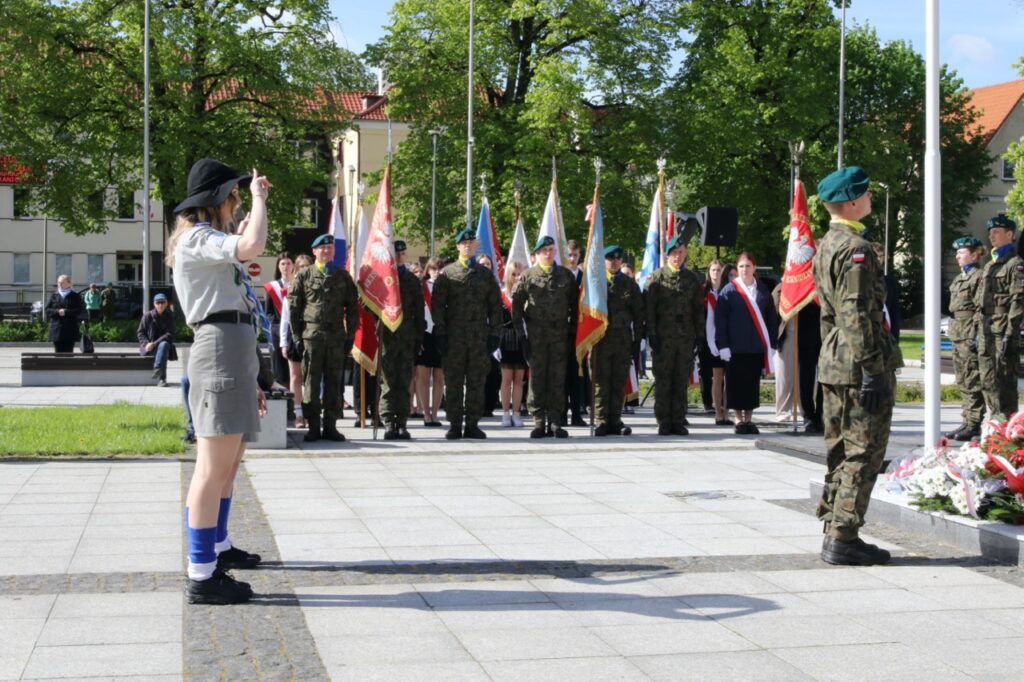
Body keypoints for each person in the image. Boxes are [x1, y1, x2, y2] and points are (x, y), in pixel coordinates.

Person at [168, 158, 270, 604]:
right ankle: (202, 574)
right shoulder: (198, 237)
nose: (237, 201)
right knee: (211, 468)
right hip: (218, 346)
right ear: (216, 199)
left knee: (228, 463)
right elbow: (250, 246)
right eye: (234, 194)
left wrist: (253, 378)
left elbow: (240, 249)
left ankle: (218, 547)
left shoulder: (207, 239)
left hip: (231, 346)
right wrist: (262, 201)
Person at [813, 166, 903, 567]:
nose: (869, 200)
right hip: (857, 362)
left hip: (835, 360)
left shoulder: (827, 244)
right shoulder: (855, 248)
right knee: (863, 451)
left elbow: (829, 317)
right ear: (851, 201)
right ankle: (844, 536)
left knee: (840, 450)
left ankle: (835, 525)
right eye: (865, 195)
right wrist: (871, 366)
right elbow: (854, 313)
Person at [288, 233, 360, 443]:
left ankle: (330, 426)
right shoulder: (304, 276)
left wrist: (350, 334)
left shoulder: (342, 276)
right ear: (314, 251)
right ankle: (313, 426)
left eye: (329, 248)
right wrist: (296, 336)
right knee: (311, 382)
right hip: (312, 336)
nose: (326, 251)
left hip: (337, 335)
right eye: (322, 248)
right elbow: (294, 308)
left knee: (333, 382)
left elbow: (352, 307)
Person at [431, 228, 502, 440]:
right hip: (454, 339)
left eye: (471, 243)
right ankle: (454, 424)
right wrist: (441, 333)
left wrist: (494, 334)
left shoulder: (485, 275)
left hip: (479, 339)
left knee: (476, 382)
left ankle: (472, 423)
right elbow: (438, 307)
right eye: (464, 243)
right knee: (453, 382)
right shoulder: (447, 274)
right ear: (458, 247)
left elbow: (495, 307)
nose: (468, 246)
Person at [512, 235, 579, 438]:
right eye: (544, 251)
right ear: (537, 254)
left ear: (555, 252)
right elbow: (516, 307)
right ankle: (539, 421)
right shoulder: (528, 276)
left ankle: (556, 421)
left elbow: (575, 306)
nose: (548, 253)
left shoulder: (566, 276)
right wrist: (522, 335)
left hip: (560, 336)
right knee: (538, 379)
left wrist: (573, 333)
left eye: (551, 250)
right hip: (536, 337)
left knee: (558, 378)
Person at [644, 235, 705, 436]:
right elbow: (650, 310)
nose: (677, 257)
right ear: (667, 255)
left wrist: (700, 334)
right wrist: (651, 334)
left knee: (680, 380)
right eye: (673, 253)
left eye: (680, 253)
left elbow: (698, 310)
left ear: (685, 254)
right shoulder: (657, 278)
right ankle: (663, 420)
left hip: (685, 337)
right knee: (663, 381)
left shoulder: (692, 280)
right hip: (663, 337)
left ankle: (678, 420)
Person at [715, 252, 777, 435]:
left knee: (751, 384)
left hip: (756, 347)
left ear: (754, 268)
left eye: (748, 266)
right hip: (735, 348)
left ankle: (749, 419)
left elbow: (771, 318)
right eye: (741, 266)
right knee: (735, 384)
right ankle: (739, 419)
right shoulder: (729, 290)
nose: (744, 270)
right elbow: (721, 321)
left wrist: (771, 344)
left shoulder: (762, 290)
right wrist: (723, 345)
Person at [975, 213, 1024, 423]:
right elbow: (980, 302)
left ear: (1010, 234)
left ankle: (1006, 432)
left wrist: (1009, 333)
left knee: (1004, 384)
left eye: (996, 232)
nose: (991, 236)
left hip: (1002, 331)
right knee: (988, 382)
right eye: (990, 232)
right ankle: (995, 424)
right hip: (986, 331)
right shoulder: (989, 265)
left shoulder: (1015, 264)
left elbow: (1018, 300)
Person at [591, 245, 645, 436]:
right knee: (600, 382)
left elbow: (639, 315)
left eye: (617, 258)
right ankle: (601, 420)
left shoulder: (629, 284)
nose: (614, 262)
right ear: (603, 260)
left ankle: (615, 419)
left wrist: (637, 340)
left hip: (622, 340)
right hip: (600, 340)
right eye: (610, 258)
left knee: (618, 381)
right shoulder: (595, 283)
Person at [378, 240, 426, 440]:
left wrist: (419, 338)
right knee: (388, 383)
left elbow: (419, 311)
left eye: (402, 254)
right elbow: (369, 306)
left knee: (405, 381)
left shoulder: (412, 281)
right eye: (396, 254)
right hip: (387, 338)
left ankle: (402, 423)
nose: (399, 257)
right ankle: (389, 422)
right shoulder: (382, 279)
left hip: (406, 338)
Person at [944, 236, 986, 442]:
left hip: (969, 332)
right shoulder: (960, 278)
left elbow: (980, 309)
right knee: (962, 379)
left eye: (961, 253)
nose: (957, 256)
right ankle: (967, 420)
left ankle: (974, 423)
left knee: (972, 379)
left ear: (974, 254)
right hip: (958, 332)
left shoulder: (979, 277)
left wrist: (976, 335)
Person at [280, 253, 313, 428]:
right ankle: (298, 413)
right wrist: (283, 343)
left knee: (311, 377)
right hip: (295, 336)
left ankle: (311, 413)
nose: (304, 270)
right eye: (300, 267)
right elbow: (285, 319)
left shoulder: (317, 287)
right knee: (296, 376)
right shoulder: (291, 289)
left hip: (313, 337)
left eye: (307, 267)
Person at [700, 260, 731, 425]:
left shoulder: (727, 290)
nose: (716, 272)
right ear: (708, 271)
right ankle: (717, 411)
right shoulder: (703, 291)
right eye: (713, 269)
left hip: (726, 339)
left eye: (719, 270)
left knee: (728, 378)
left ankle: (726, 411)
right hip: (708, 340)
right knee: (716, 377)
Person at [415, 257, 445, 427]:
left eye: (439, 268)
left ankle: (435, 413)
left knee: (440, 376)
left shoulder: (448, 287)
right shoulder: (421, 287)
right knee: (423, 376)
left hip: (441, 334)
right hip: (425, 333)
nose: (436, 271)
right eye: (433, 268)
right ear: (428, 270)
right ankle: (425, 413)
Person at [562, 239, 589, 426]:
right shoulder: (560, 276)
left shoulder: (584, 277)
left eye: (575, 255)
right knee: (562, 374)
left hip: (580, 332)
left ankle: (578, 412)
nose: (572, 259)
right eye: (569, 255)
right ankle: (561, 413)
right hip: (562, 332)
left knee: (579, 374)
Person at [498, 260, 527, 427]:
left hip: (521, 336)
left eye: (519, 274)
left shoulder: (526, 294)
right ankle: (506, 413)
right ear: (508, 275)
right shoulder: (501, 294)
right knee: (506, 379)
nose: (517, 277)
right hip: (506, 336)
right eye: (514, 274)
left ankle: (516, 413)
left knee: (519, 379)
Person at [264, 253, 294, 389]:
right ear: (278, 266)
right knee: (280, 367)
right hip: (277, 331)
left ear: (293, 265)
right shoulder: (272, 287)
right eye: (282, 264)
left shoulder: (297, 284)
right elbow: (268, 312)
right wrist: (277, 323)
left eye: (288, 263)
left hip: (295, 330)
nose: (286, 267)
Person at [137, 292, 177, 386]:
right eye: (158, 303)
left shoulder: (170, 316)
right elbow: (140, 332)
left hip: (161, 346)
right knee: (163, 350)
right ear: (154, 304)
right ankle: (162, 378)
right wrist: (146, 344)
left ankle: (158, 369)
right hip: (148, 347)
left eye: (162, 302)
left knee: (163, 346)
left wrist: (154, 344)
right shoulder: (147, 316)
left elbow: (170, 334)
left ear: (166, 303)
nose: (160, 305)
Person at [46, 274, 84, 352]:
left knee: (69, 352)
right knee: (58, 352)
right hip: (57, 329)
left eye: (62, 282)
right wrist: (57, 311)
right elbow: (47, 310)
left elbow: (79, 311)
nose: (60, 284)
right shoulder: (54, 295)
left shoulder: (75, 296)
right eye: (59, 282)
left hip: (70, 329)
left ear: (69, 283)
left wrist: (66, 312)